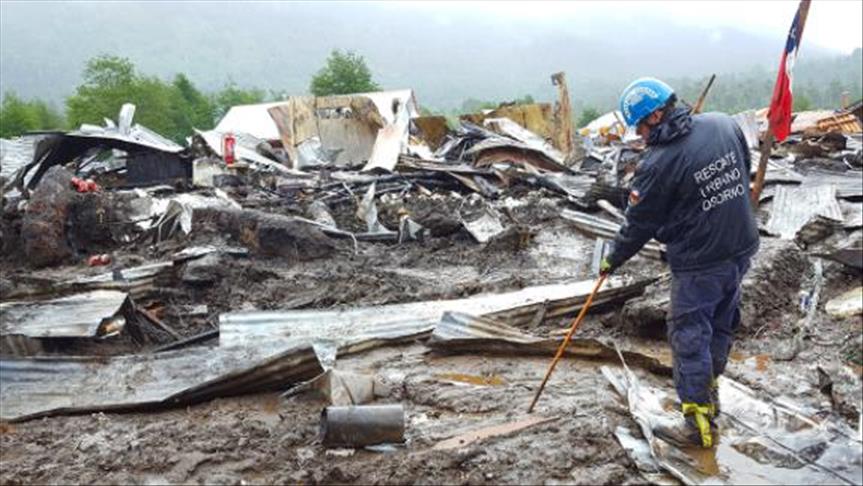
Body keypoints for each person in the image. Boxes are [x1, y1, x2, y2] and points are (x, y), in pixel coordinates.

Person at [600, 77, 759, 448]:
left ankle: (696, 426)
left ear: (655, 115)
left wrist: (612, 259)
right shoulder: (722, 123)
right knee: (720, 324)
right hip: (741, 248)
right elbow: (743, 168)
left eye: (640, 126)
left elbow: (640, 223)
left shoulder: (659, 162)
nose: (639, 135)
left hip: (700, 262)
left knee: (688, 335)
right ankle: (710, 389)